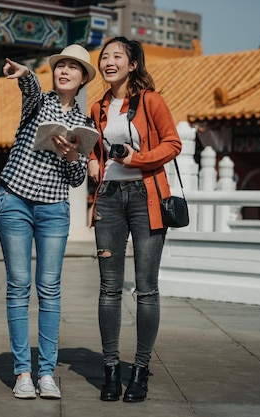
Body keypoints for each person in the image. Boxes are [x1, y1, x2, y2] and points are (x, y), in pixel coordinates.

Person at [0, 44, 96, 400]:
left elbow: (76, 178)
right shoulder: (40, 102)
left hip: (54, 208)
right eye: (61, 65)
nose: (65, 71)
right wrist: (26, 76)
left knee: (49, 289)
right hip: (16, 199)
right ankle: (23, 372)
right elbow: (31, 89)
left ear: (83, 79)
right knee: (19, 285)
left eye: (73, 67)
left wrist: (70, 156)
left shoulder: (86, 124)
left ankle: (47, 372)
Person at [88, 37, 182, 403]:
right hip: (108, 200)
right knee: (108, 289)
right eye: (105, 57)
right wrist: (93, 161)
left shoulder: (150, 101)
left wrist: (135, 159)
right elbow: (94, 150)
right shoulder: (97, 107)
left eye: (117, 56)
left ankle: (139, 370)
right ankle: (111, 369)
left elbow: (173, 144)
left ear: (132, 64)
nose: (109, 62)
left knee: (146, 288)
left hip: (147, 197)